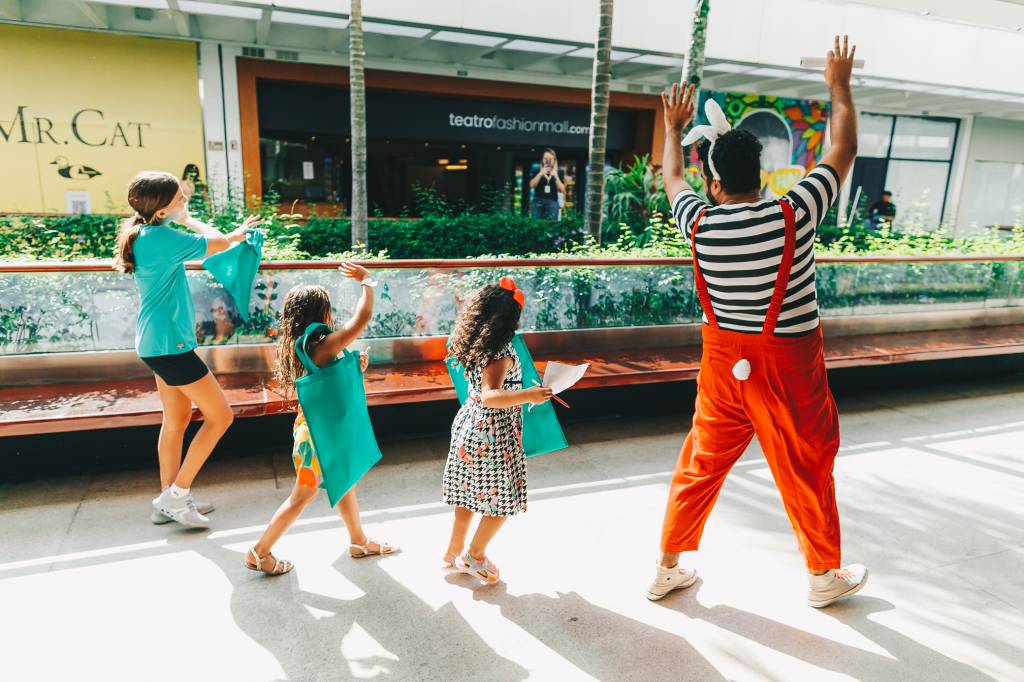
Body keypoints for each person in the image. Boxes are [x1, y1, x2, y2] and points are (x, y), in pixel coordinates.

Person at [648, 36, 868, 608]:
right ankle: (823, 577)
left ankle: (668, 566)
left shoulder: (700, 223)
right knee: (807, 464)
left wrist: (673, 127)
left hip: (723, 371)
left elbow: (672, 179)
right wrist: (838, 84)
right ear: (762, 175)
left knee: (700, 462)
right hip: (789, 369)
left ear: (714, 183)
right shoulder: (794, 211)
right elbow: (841, 148)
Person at [115, 171, 261, 528]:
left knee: (177, 419)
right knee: (221, 416)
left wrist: (188, 217)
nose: (186, 202)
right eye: (181, 198)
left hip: (155, 343)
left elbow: (217, 242)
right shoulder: (162, 238)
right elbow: (219, 243)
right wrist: (202, 223)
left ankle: (166, 500)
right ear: (162, 210)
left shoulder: (144, 234)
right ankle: (176, 496)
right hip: (170, 346)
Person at [244, 272, 397, 575]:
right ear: (321, 313)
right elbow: (362, 318)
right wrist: (367, 282)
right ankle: (259, 552)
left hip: (312, 426)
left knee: (343, 479)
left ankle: (358, 540)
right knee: (302, 497)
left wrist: (354, 367)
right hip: (318, 435)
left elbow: (327, 379)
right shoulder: (324, 343)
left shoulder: (302, 345)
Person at [442, 278, 552, 583]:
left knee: (466, 495)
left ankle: (453, 550)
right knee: (502, 501)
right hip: (492, 433)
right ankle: (474, 556)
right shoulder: (501, 352)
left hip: (469, 425)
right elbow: (492, 396)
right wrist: (529, 395)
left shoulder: (474, 341)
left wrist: (519, 390)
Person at [529, 149, 565, 220]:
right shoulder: (536, 169)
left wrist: (556, 176)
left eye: (550, 159)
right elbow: (531, 185)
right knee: (536, 226)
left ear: (554, 160)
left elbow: (562, 189)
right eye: (545, 158)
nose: (548, 161)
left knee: (551, 226)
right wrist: (540, 173)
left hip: (552, 202)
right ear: (542, 160)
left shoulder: (559, 171)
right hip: (537, 202)